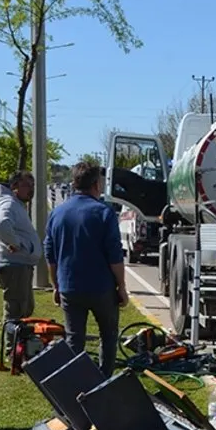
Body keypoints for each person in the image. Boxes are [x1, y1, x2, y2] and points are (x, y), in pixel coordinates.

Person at [44, 162, 128, 378]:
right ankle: (103, 380)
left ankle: (76, 382)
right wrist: (121, 286)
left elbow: (50, 255)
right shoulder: (104, 212)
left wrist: (56, 285)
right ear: (97, 184)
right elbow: (115, 255)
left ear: (74, 183)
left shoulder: (57, 213)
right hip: (101, 287)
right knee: (108, 336)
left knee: (74, 338)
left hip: (69, 286)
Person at [0, 171, 41, 321]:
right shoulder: (9, 204)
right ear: (14, 186)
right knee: (15, 312)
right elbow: (2, 225)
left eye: (33, 185)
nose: (31, 189)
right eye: (26, 185)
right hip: (15, 267)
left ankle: (18, 336)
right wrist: (16, 243)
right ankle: (11, 337)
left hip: (20, 266)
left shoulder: (15, 204)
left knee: (24, 310)